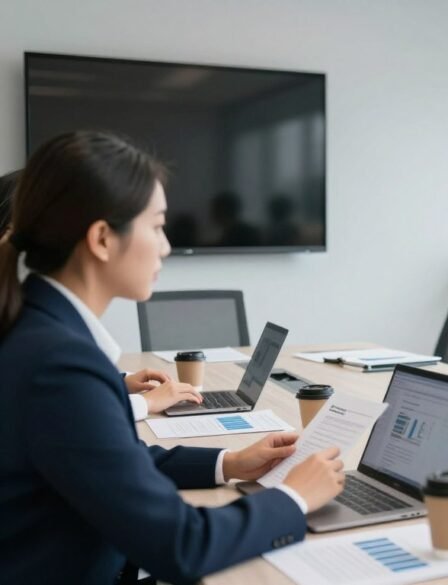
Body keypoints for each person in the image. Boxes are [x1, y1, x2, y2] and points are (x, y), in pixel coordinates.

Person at [0, 131, 346, 583]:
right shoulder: (60, 364)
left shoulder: (43, 331)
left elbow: (110, 460)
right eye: (158, 225)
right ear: (103, 238)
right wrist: (295, 499)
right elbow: (181, 546)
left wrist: (228, 463)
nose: (166, 246)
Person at [2, 169, 203, 419]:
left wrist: (117, 382)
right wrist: (144, 403)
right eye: (155, 226)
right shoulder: (50, 346)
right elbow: (73, 413)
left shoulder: (30, 315)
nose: (165, 247)